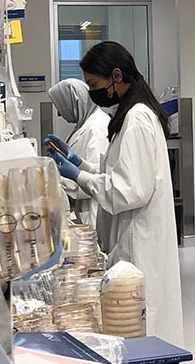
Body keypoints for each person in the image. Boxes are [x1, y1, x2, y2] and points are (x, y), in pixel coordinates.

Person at [45, 41, 184, 346]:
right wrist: (80, 163)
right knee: (141, 320)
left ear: (116, 76)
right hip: (136, 233)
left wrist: (78, 176)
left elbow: (127, 191)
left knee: (143, 323)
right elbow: (121, 174)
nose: (92, 91)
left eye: (94, 84)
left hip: (139, 239)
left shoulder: (136, 118)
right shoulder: (133, 113)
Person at [47, 79, 110, 231]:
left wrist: (59, 180)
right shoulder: (85, 124)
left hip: (94, 214)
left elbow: (98, 180)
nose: (59, 114)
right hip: (84, 211)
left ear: (74, 102)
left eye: (60, 107)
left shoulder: (98, 129)